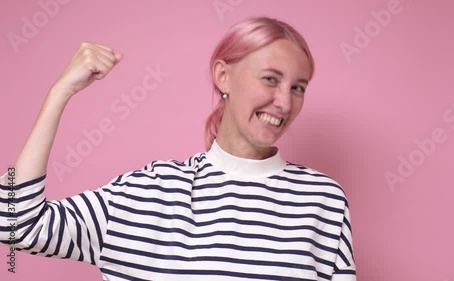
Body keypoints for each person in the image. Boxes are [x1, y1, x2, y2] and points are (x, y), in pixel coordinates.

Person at [0, 16, 356, 280]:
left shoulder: (322, 199)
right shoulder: (145, 193)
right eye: (270, 79)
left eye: (298, 87)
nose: (284, 102)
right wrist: (58, 93)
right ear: (223, 77)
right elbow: (14, 223)